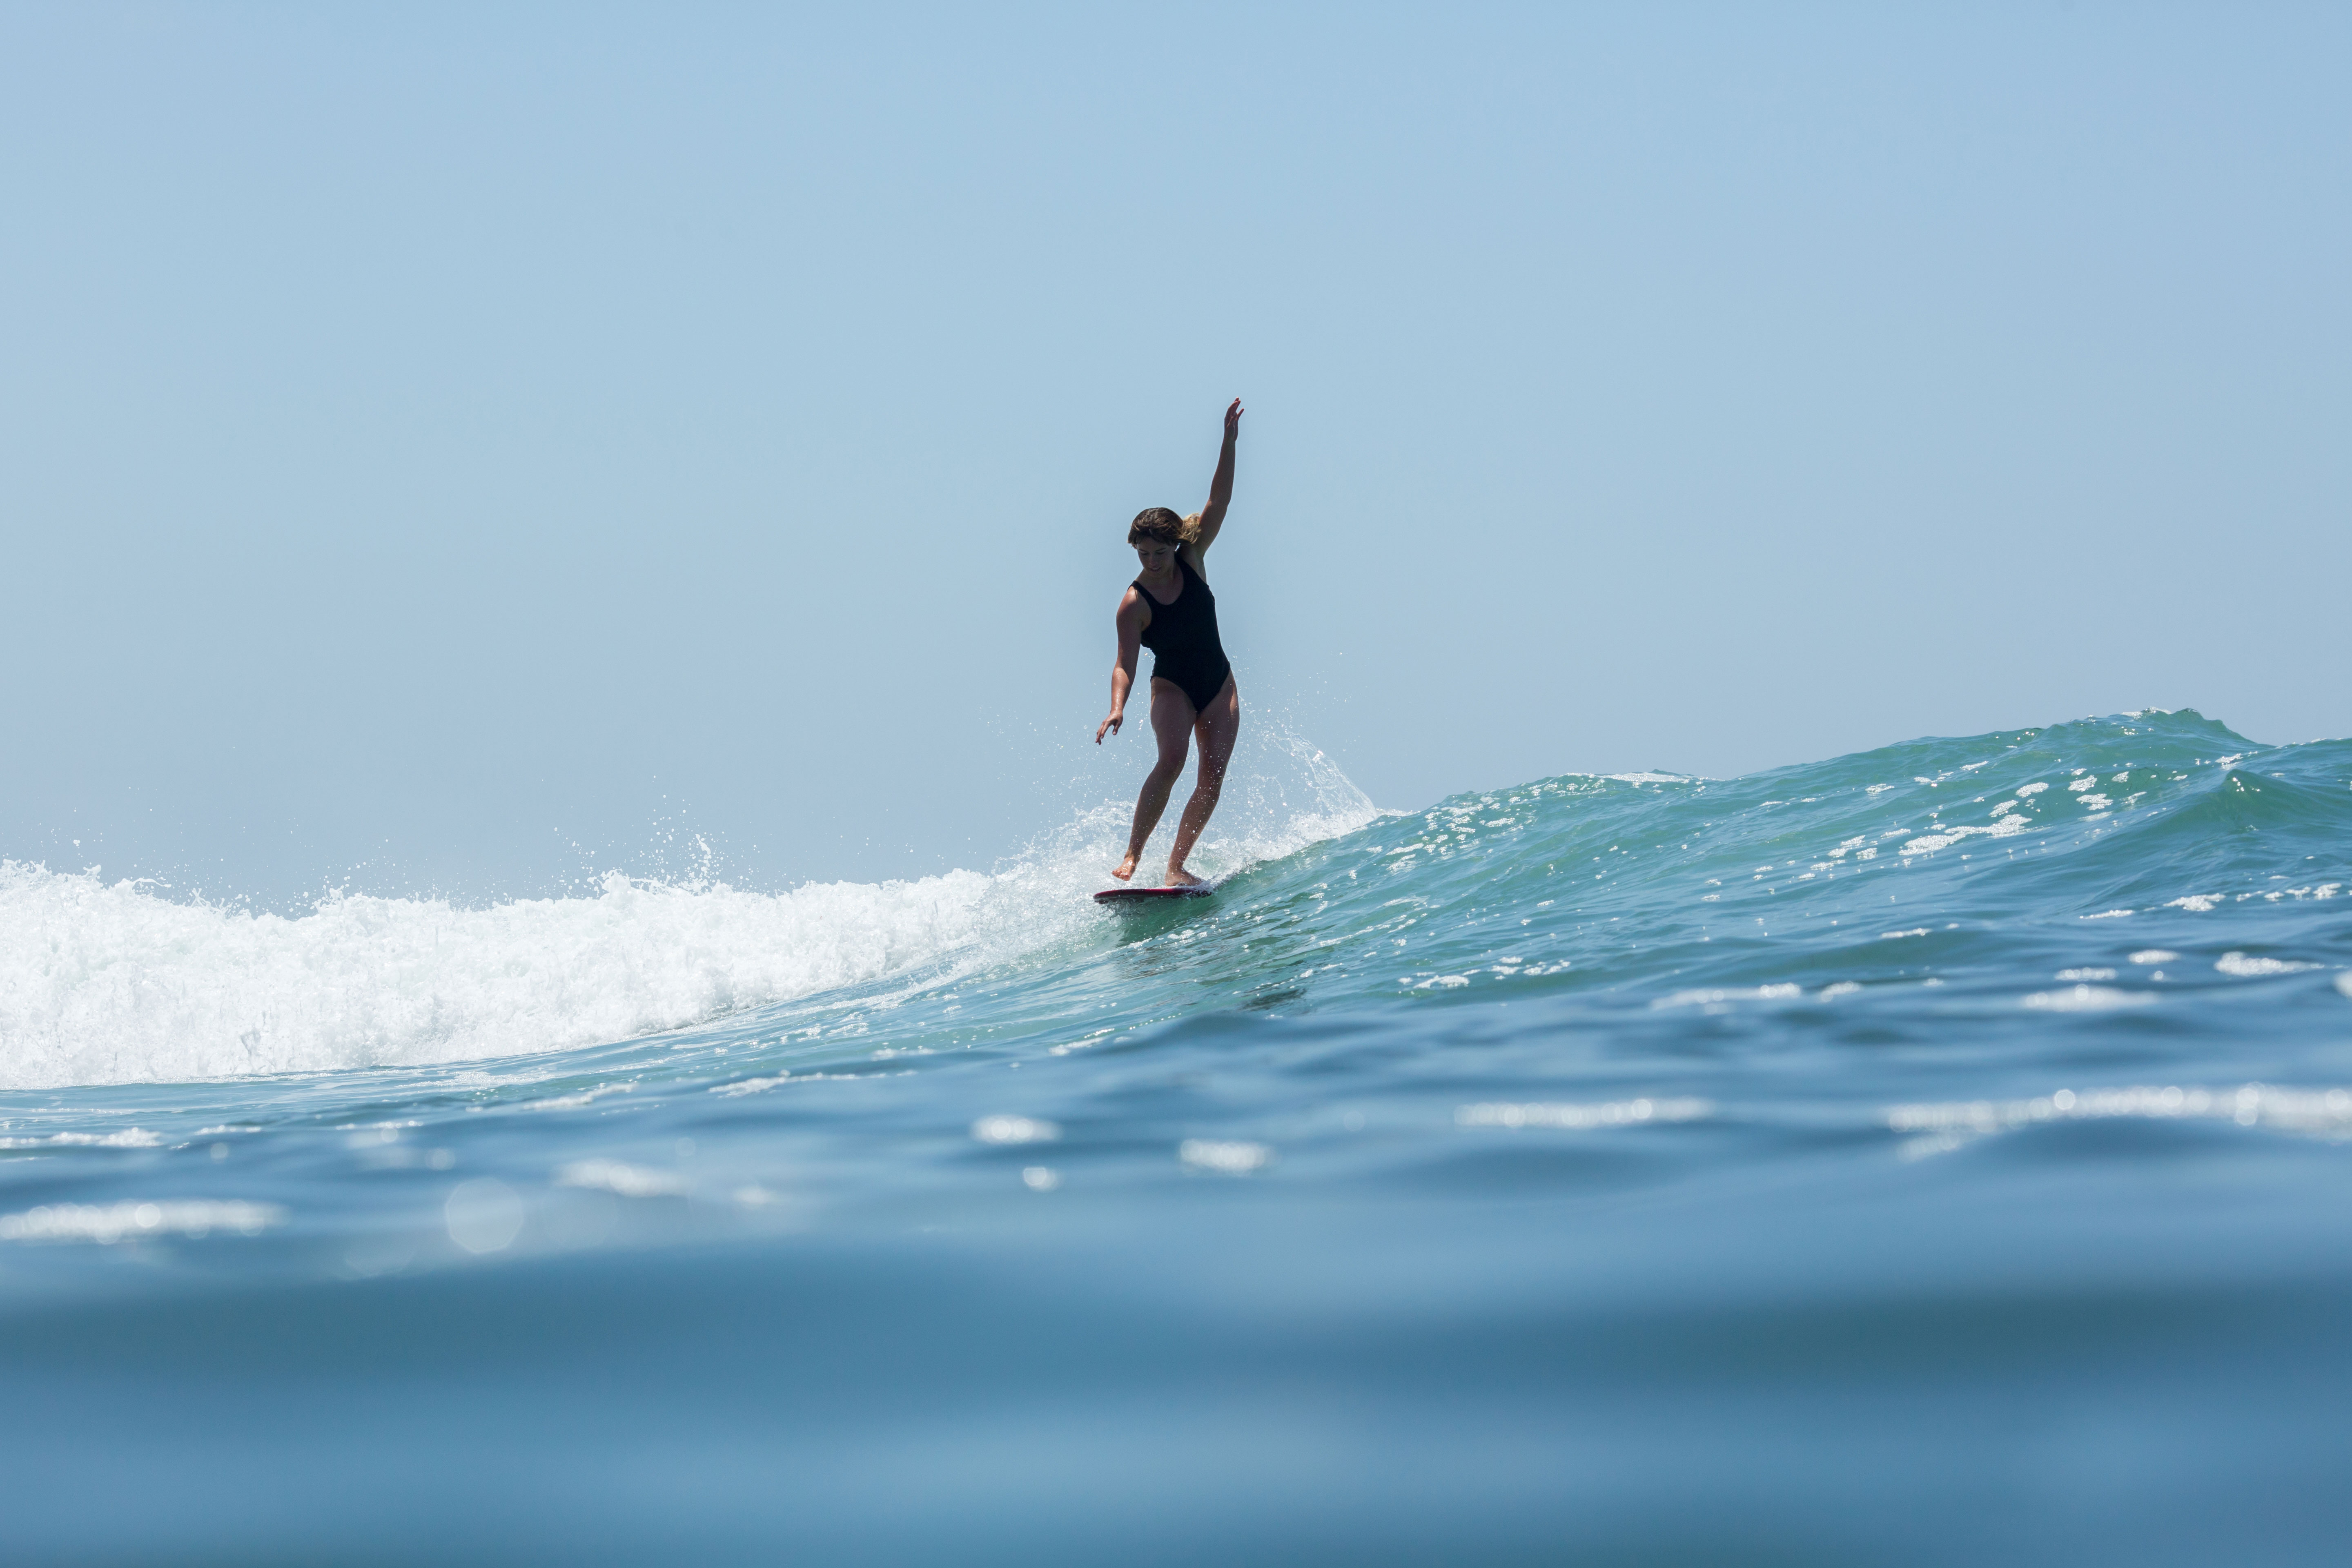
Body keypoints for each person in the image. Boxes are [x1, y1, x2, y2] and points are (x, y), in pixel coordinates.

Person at [1095, 398, 1244, 885]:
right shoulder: (1133, 604)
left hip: (1218, 684)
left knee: (1213, 777)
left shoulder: (1193, 558)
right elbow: (1124, 664)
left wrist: (1228, 442)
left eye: (1161, 552)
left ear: (1175, 545)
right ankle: (1134, 855)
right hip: (1174, 687)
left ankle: (1177, 866)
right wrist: (1117, 707)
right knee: (1173, 760)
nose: (1153, 561)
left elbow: (1217, 502)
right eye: (1144, 553)